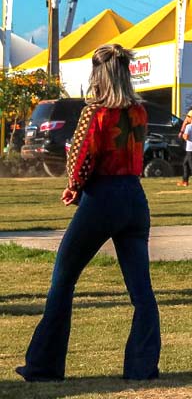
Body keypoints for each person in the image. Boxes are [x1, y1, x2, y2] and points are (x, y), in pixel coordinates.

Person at [16, 44, 160, 382]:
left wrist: (74, 186)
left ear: (99, 74)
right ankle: (142, 367)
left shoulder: (94, 113)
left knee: (63, 282)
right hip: (135, 198)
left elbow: (82, 156)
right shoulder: (140, 112)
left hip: (102, 197)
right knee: (141, 291)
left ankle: (44, 365)